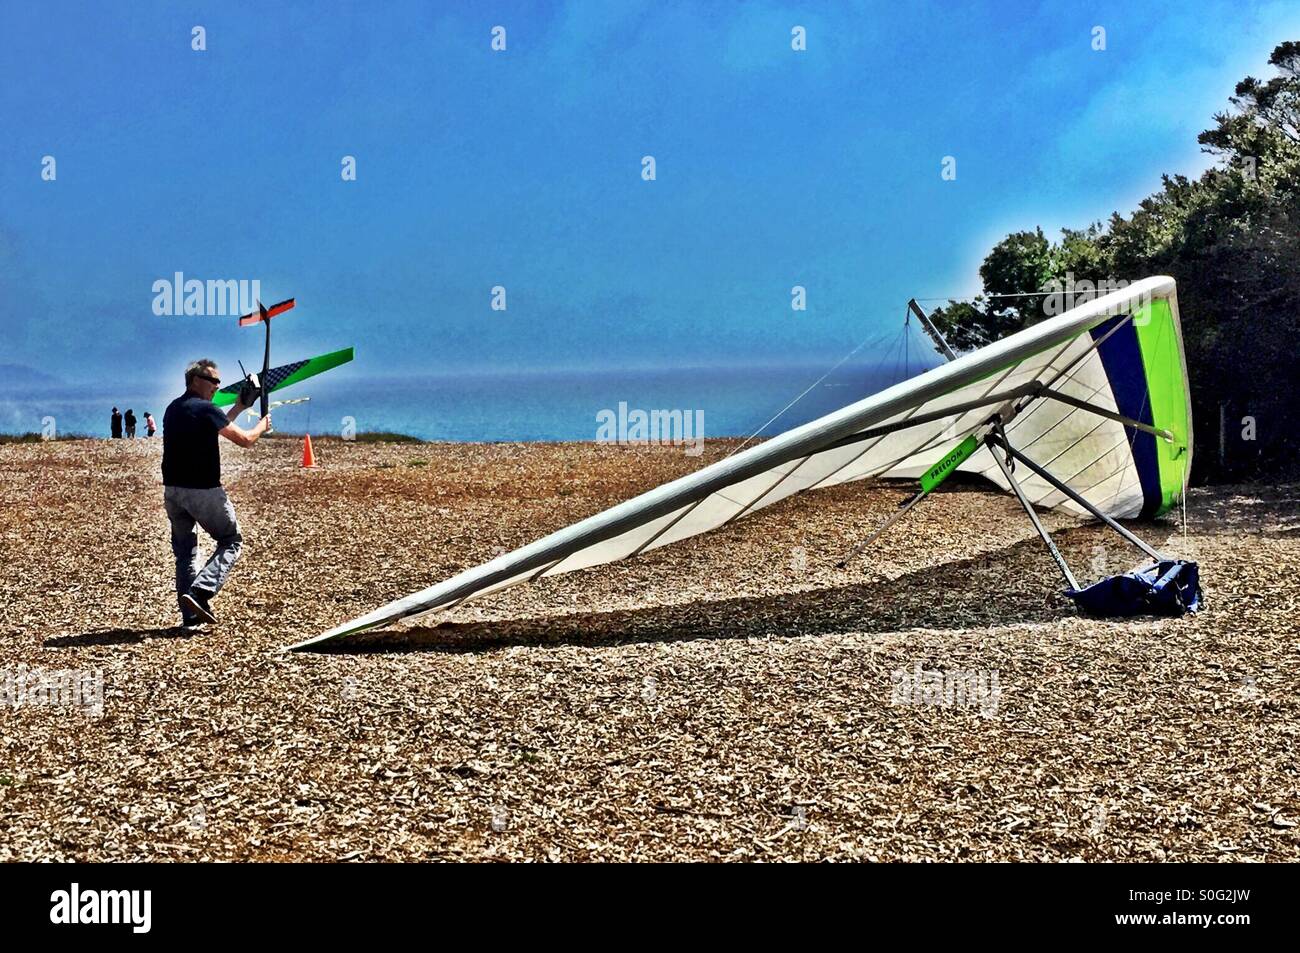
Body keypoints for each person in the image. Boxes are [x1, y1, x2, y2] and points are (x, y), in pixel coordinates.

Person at [162, 358, 271, 629]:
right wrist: (262, 425)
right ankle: (200, 592)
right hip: (203, 491)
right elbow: (245, 440)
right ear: (196, 380)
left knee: (185, 553)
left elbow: (215, 425)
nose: (218, 386)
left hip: (173, 491)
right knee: (231, 541)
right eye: (213, 381)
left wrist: (238, 407)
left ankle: (190, 617)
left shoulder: (174, 409)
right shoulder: (206, 409)